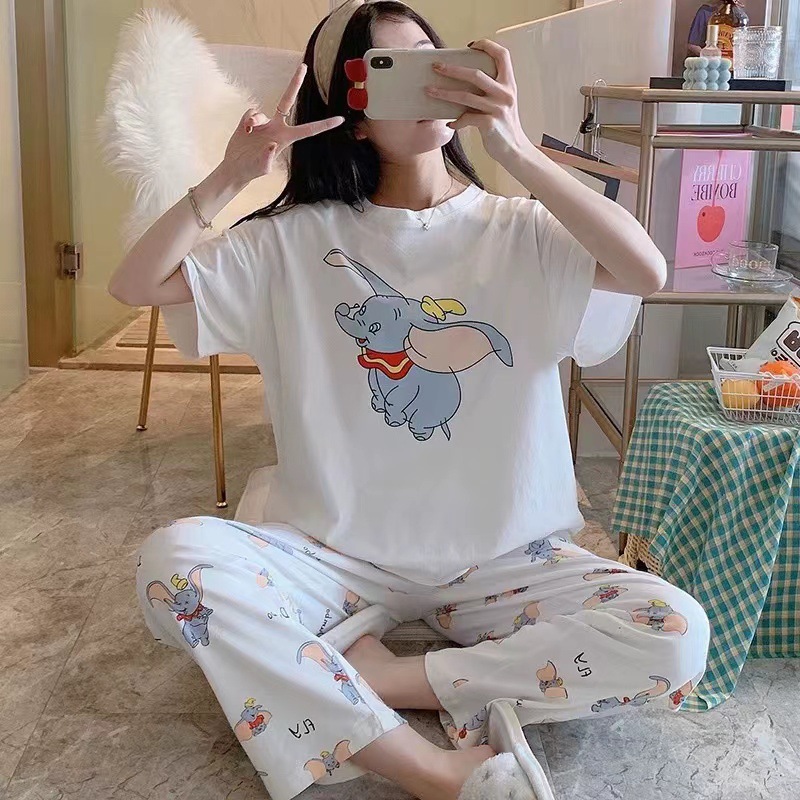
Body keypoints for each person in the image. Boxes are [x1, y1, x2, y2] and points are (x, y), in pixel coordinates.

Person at [109, 2, 710, 799]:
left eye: (436, 60)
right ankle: (430, 768)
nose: (428, 84)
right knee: (174, 565)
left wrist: (516, 149)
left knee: (677, 634)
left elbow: (647, 272)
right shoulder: (292, 240)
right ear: (353, 115)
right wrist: (232, 176)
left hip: (502, 560)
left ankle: (379, 678)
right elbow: (136, 284)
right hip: (336, 556)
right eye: (393, 70)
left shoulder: (521, 229)